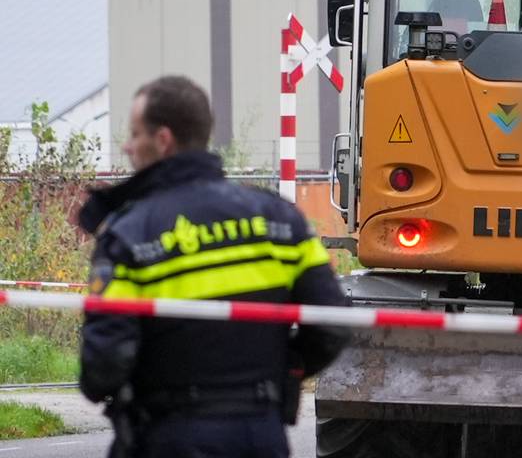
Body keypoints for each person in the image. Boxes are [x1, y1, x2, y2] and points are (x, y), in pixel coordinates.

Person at [77, 75, 350, 457]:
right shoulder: (280, 219)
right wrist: (283, 371)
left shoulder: (131, 233)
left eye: (135, 133)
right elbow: (332, 322)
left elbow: (102, 366)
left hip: (170, 436)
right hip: (261, 435)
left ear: (163, 140)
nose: (126, 146)